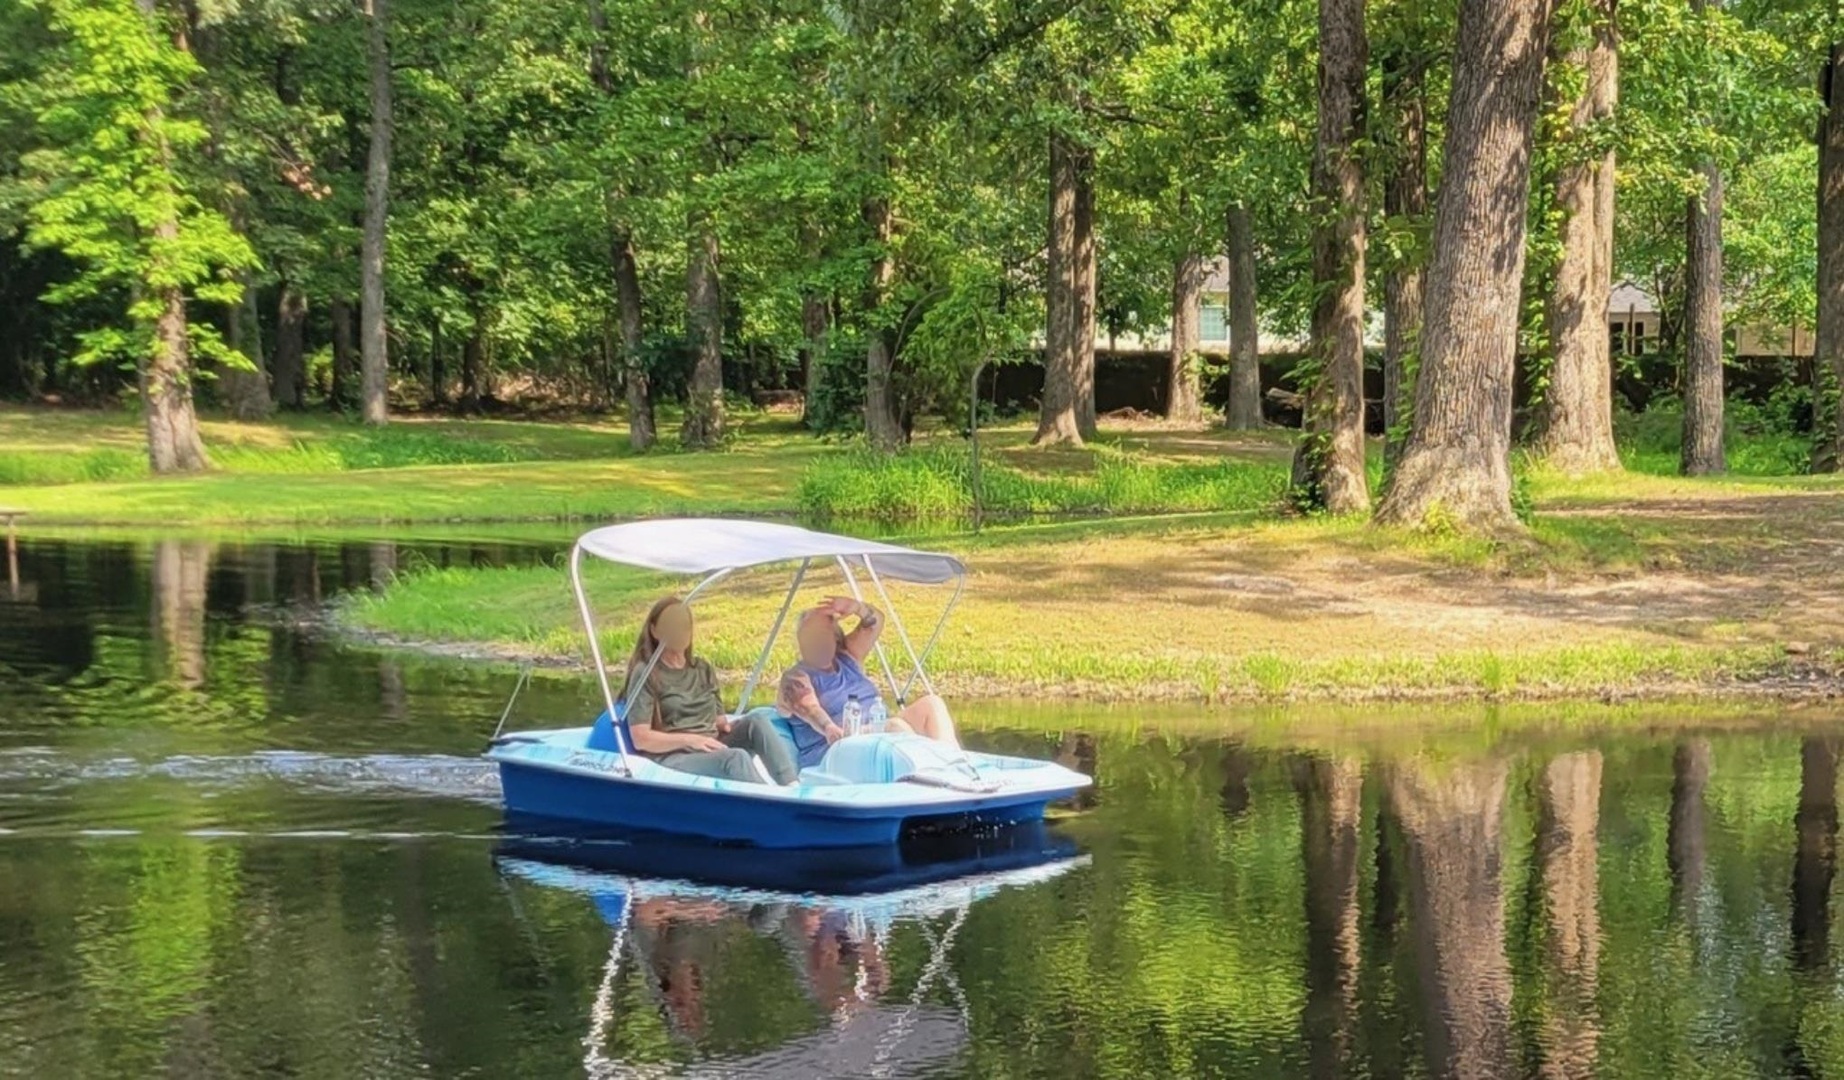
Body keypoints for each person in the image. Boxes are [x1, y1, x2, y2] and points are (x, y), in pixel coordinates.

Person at [620, 596, 799, 784]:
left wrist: (727, 726)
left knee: (756, 721)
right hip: (674, 755)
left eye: (684, 625)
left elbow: (719, 721)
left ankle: (792, 788)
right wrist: (690, 740)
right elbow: (641, 738)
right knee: (735, 758)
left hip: (709, 744)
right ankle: (769, 807)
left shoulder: (702, 668)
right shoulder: (646, 671)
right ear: (655, 631)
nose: (679, 630)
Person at [775, 595, 959, 767]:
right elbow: (810, 709)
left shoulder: (847, 657)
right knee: (895, 727)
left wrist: (856, 607)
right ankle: (928, 772)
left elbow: (875, 621)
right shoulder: (796, 677)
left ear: (835, 638)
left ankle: (955, 765)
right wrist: (829, 727)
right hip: (834, 750)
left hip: (877, 734)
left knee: (931, 704)